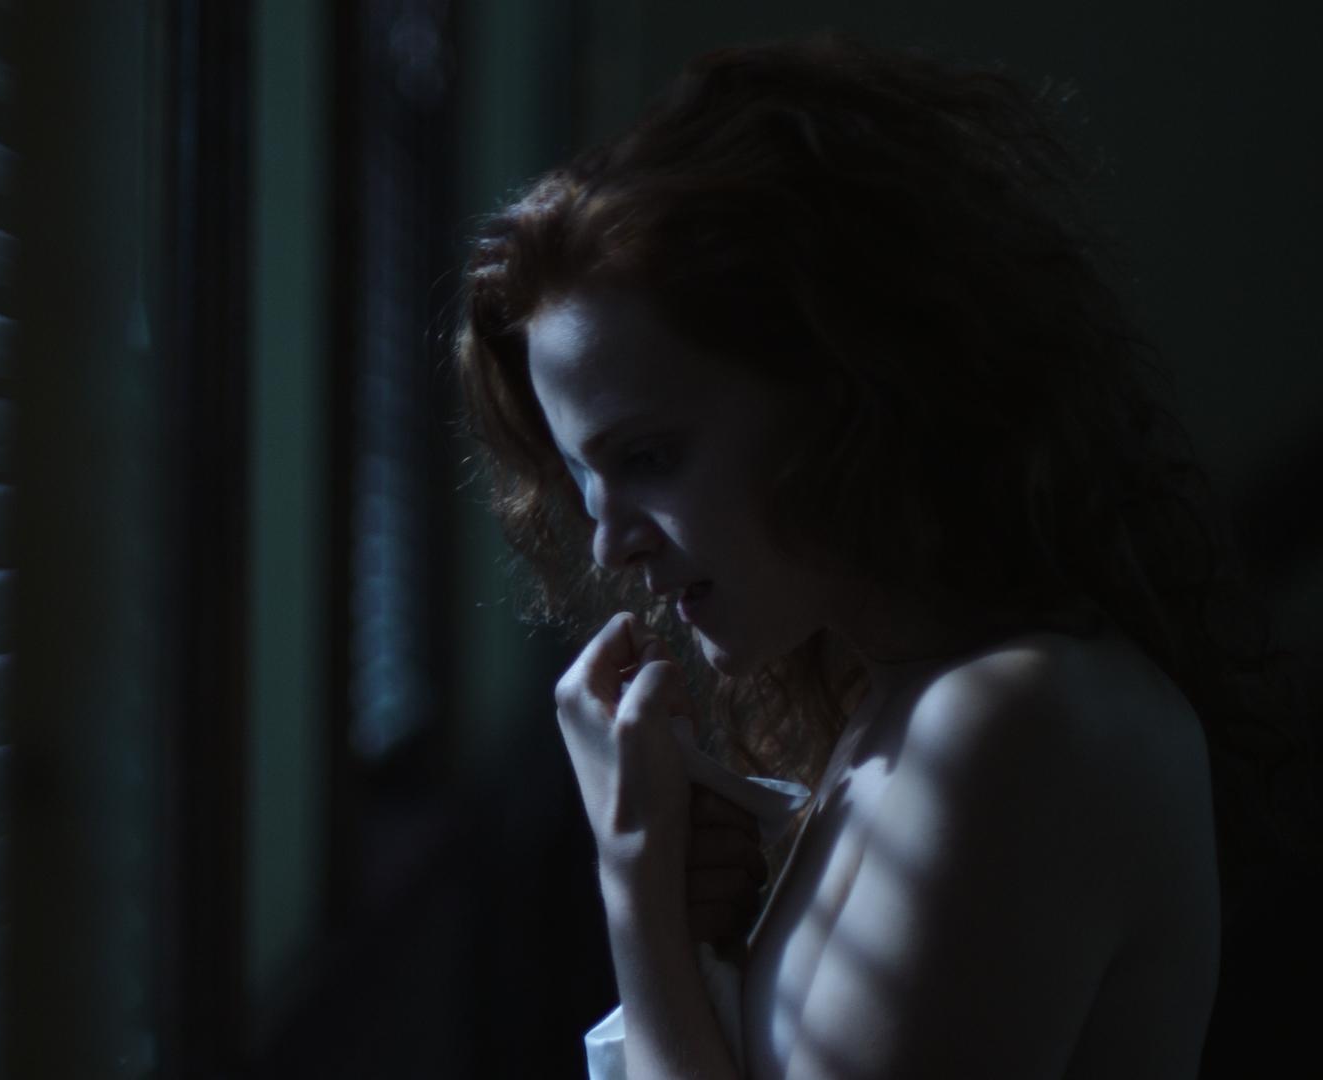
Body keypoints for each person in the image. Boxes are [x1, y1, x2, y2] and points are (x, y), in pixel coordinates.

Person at [452, 32, 1316, 1079]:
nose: (610, 539)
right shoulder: (891, 713)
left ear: (844, 391)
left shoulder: (1011, 723)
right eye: (585, 479)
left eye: (649, 456)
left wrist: (638, 892)